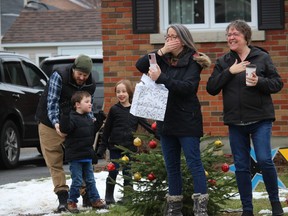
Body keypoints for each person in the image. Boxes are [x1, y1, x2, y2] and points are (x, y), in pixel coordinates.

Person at [206, 20, 284, 216]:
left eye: (235, 34)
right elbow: (211, 88)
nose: (231, 38)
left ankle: (275, 204)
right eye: (228, 35)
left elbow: (277, 84)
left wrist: (259, 81)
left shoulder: (262, 57)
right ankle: (247, 209)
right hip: (235, 122)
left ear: (245, 37)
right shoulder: (225, 61)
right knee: (241, 167)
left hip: (260, 119)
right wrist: (229, 72)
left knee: (265, 160)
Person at [135, 24, 211, 216]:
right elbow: (140, 65)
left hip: (187, 120)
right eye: (167, 36)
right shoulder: (161, 58)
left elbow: (187, 88)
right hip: (166, 120)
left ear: (183, 39)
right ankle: (174, 210)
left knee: (194, 164)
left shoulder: (194, 60)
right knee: (172, 167)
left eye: (174, 36)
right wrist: (161, 51)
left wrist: (161, 78)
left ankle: (200, 209)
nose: (169, 40)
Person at [36, 54, 97, 212]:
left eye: (85, 75)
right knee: (55, 161)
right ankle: (63, 198)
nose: (82, 78)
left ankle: (86, 195)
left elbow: (86, 105)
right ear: (73, 69)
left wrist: (90, 121)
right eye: (79, 74)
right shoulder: (59, 76)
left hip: (73, 124)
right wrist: (56, 123)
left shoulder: (90, 84)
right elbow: (52, 102)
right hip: (50, 123)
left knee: (80, 158)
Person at [96, 79, 155, 205]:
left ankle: (128, 196)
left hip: (129, 148)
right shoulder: (114, 110)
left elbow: (147, 126)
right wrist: (102, 148)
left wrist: (160, 135)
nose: (121, 94)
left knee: (128, 172)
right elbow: (106, 130)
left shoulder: (135, 110)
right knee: (113, 171)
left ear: (129, 93)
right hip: (115, 147)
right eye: (118, 92)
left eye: (123, 91)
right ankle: (109, 196)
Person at [59, 91, 106, 213]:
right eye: (87, 101)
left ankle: (95, 199)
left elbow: (91, 131)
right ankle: (72, 202)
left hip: (86, 155)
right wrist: (64, 114)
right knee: (77, 181)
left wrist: (99, 120)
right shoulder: (72, 118)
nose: (90, 104)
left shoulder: (88, 118)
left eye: (90, 101)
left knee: (90, 180)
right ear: (77, 104)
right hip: (75, 157)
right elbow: (65, 129)